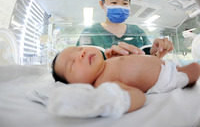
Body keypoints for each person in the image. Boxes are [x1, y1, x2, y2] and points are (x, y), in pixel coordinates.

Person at [51, 46, 200, 113]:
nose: (81, 54)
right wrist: (112, 100)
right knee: (195, 68)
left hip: (166, 64)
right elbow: (137, 97)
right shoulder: (104, 84)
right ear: (75, 86)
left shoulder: (108, 62)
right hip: (168, 77)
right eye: (71, 63)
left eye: (79, 48)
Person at [76, 0, 174, 59]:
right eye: (114, 2)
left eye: (125, 3)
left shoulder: (137, 31)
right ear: (102, 4)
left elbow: (148, 59)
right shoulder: (90, 32)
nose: (120, 6)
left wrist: (156, 54)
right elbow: (78, 61)